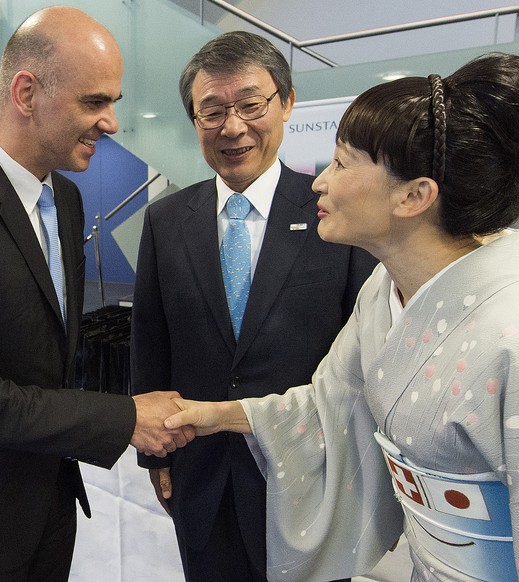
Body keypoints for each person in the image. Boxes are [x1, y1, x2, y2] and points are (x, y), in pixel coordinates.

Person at [164, 49, 519, 581]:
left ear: (415, 195)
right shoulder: (385, 295)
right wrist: (218, 416)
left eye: (343, 162)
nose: (319, 182)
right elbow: (332, 406)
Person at [0, 7, 192, 581]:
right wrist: (124, 417)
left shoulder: (68, 202)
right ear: (26, 92)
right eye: (95, 102)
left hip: (47, 500)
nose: (112, 123)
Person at [129, 31, 376, 581]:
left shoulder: (332, 214)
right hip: (202, 471)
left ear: (287, 104)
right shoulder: (166, 221)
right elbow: (151, 342)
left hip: (309, 474)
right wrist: (158, 455)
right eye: (211, 111)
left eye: (250, 104)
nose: (232, 127)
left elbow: (364, 354)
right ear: (194, 120)